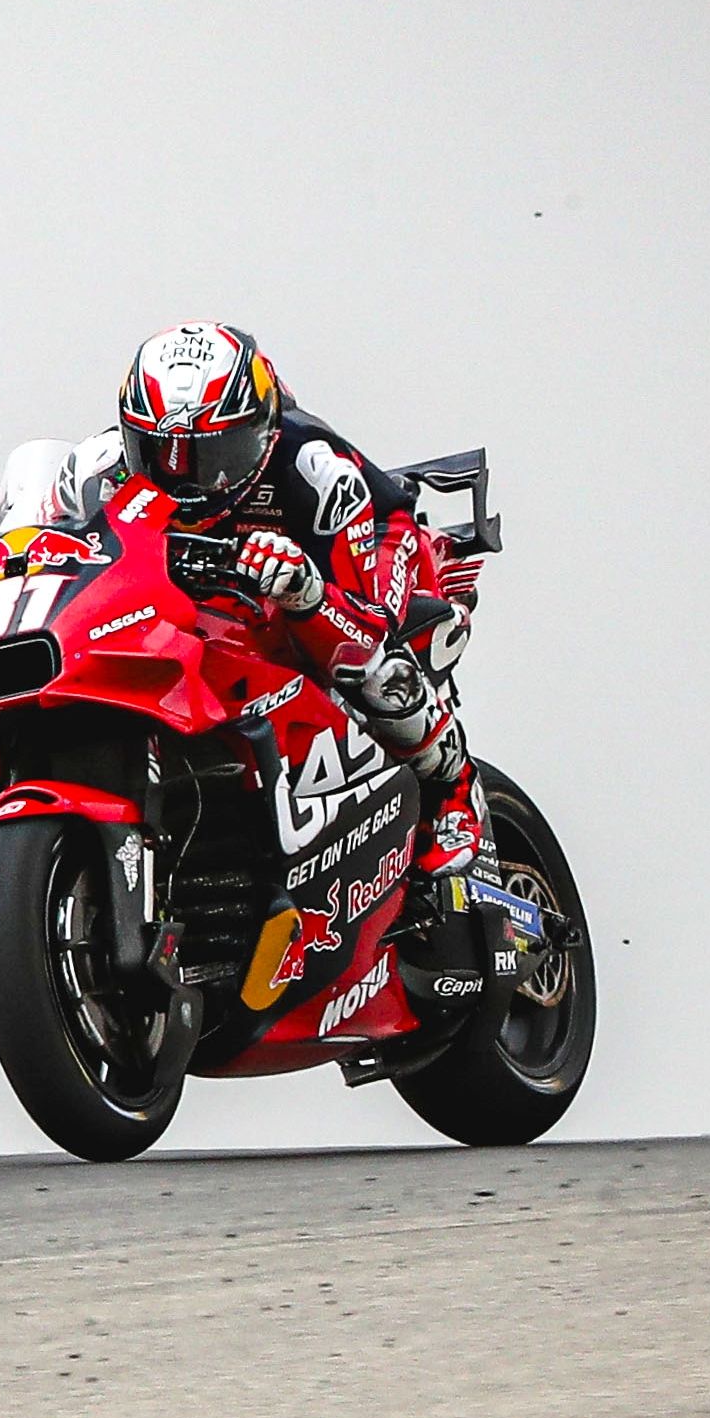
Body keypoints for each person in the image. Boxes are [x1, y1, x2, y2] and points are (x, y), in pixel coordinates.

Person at [108, 320, 494, 975]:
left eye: (210, 453)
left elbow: (367, 622)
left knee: (359, 655)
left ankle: (451, 787)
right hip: (217, 595)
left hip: (362, 546)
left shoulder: (311, 464)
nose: (183, 475)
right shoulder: (99, 466)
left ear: (256, 429)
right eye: (158, 452)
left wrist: (305, 589)